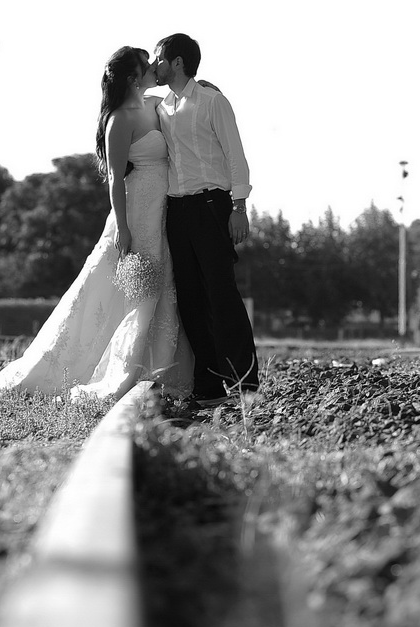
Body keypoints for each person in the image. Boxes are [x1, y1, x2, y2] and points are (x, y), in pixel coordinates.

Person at [0, 46, 193, 402]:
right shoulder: (120, 119)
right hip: (136, 212)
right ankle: (108, 369)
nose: (155, 67)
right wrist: (123, 228)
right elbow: (114, 180)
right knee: (125, 290)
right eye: (146, 64)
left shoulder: (155, 104)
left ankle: (158, 369)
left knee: (159, 285)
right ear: (133, 77)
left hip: (162, 209)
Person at [153, 33, 259, 406]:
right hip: (177, 212)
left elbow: (235, 155)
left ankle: (246, 385)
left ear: (177, 62)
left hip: (213, 206)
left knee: (222, 295)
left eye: (159, 57)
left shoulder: (213, 101)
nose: (155, 63)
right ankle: (211, 387)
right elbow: (138, 89)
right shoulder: (161, 107)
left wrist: (239, 207)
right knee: (191, 300)